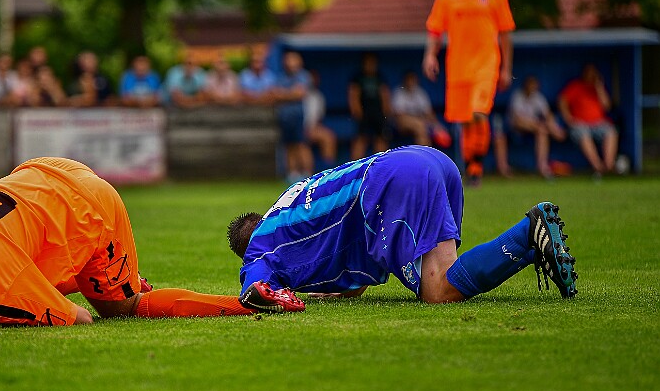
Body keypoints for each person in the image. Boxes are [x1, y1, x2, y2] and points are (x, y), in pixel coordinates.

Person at [0, 157, 304, 330]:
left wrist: (39, 296)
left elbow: (80, 319)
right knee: (62, 269)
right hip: (46, 169)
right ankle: (119, 276)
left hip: (92, 206)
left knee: (118, 307)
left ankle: (244, 303)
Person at [227, 146, 578, 307]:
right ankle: (533, 245)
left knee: (438, 291)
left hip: (393, 182)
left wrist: (271, 295)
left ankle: (528, 230)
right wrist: (343, 291)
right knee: (444, 276)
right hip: (426, 160)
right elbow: (346, 236)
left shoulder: (260, 246)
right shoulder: (290, 202)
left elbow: (255, 290)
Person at [423, 0, 515, 186]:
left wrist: (506, 68)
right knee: (465, 120)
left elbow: (506, 34)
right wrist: (430, 55)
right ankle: (471, 166)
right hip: (458, 67)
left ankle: (476, 164)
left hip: (486, 64)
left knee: (478, 112)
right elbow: (435, 29)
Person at [557, 64, 619, 177]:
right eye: (588, 72)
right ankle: (598, 167)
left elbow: (607, 106)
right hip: (580, 123)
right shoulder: (576, 86)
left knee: (611, 131)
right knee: (582, 133)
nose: (591, 75)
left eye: (593, 73)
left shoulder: (598, 88)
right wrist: (568, 117)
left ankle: (609, 165)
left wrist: (599, 87)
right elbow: (562, 100)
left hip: (598, 123)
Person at [506, 75, 566, 179]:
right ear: (525, 85)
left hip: (533, 127)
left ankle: (542, 166)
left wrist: (554, 127)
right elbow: (518, 119)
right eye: (530, 85)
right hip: (515, 127)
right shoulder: (518, 95)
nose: (532, 87)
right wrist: (539, 125)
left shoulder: (538, 97)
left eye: (534, 85)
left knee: (542, 131)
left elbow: (548, 115)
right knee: (540, 127)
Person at [276, 51, 314, 182]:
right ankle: (292, 175)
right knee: (289, 146)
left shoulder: (303, 76)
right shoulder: (281, 76)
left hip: (299, 116)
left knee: (301, 144)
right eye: (288, 60)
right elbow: (274, 94)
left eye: (293, 60)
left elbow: (300, 93)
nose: (290, 63)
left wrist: (284, 94)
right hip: (284, 117)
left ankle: (308, 174)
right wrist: (290, 94)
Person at [390, 71, 451, 148]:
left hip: (420, 122)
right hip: (400, 123)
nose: (410, 82)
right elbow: (399, 115)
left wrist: (437, 125)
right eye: (409, 80)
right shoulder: (399, 92)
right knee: (420, 126)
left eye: (412, 80)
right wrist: (418, 120)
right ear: (404, 81)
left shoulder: (420, 93)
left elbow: (428, 113)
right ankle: (423, 153)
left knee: (429, 128)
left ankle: (426, 151)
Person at [347, 53, 392, 158]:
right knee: (361, 139)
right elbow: (353, 95)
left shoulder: (380, 77)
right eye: (368, 63)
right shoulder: (358, 77)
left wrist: (386, 112)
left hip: (378, 114)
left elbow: (385, 95)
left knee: (381, 138)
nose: (371, 65)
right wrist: (356, 111)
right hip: (364, 114)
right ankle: (356, 164)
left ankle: (380, 163)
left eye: (373, 63)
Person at [303, 71, 338, 170]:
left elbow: (319, 118)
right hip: (299, 127)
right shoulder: (300, 93)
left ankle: (328, 169)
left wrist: (313, 128)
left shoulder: (318, 96)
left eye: (315, 79)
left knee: (329, 137)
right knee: (301, 141)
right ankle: (306, 172)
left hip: (313, 127)